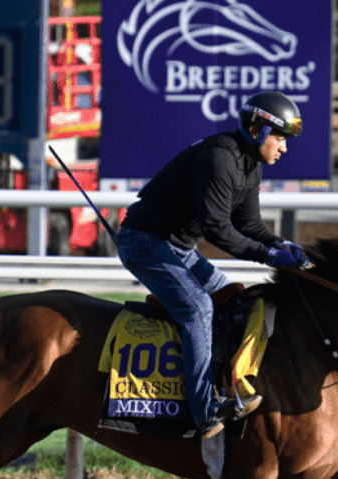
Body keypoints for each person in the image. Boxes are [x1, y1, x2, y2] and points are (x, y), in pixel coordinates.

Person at [115, 91, 311, 439]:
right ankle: (205, 409)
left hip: (178, 248)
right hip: (144, 242)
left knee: (232, 294)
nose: (284, 148)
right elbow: (218, 230)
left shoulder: (250, 164)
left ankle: (228, 380)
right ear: (257, 131)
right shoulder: (219, 159)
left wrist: (281, 245)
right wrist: (268, 256)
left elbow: (249, 225)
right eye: (280, 139)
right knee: (199, 308)